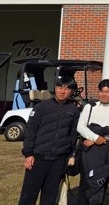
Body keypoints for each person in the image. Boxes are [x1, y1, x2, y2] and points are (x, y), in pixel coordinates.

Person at [18, 75, 80, 205]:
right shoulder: (41, 107)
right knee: (28, 195)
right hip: (38, 158)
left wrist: (70, 155)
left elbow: (73, 135)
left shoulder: (74, 110)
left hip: (59, 160)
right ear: (55, 88)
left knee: (50, 197)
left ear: (71, 91)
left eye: (67, 88)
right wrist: (28, 154)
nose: (62, 91)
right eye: (60, 87)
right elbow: (30, 131)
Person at [75, 78, 109, 205]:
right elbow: (80, 127)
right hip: (89, 151)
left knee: (101, 182)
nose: (103, 94)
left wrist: (100, 140)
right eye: (101, 91)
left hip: (108, 150)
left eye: (107, 92)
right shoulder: (90, 107)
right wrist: (95, 139)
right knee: (86, 183)